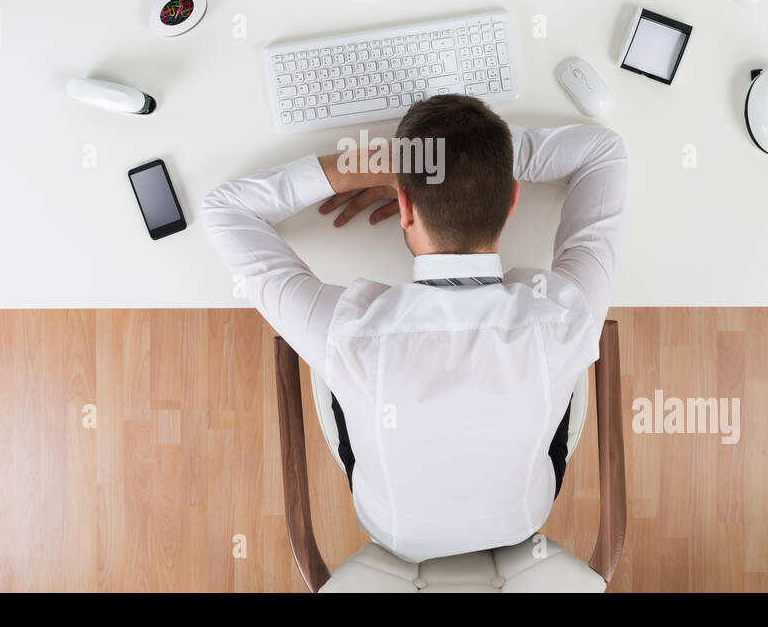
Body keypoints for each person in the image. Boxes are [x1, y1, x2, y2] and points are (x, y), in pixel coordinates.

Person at [202, 95, 627, 563]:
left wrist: (397, 163)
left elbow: (224, 209)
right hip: (523, 519)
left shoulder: (349, 333)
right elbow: (601, 151)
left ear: (404, 207)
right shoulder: (567, 314)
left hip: (396, 533)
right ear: (512, 201)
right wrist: (480, 161)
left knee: (337, 368)